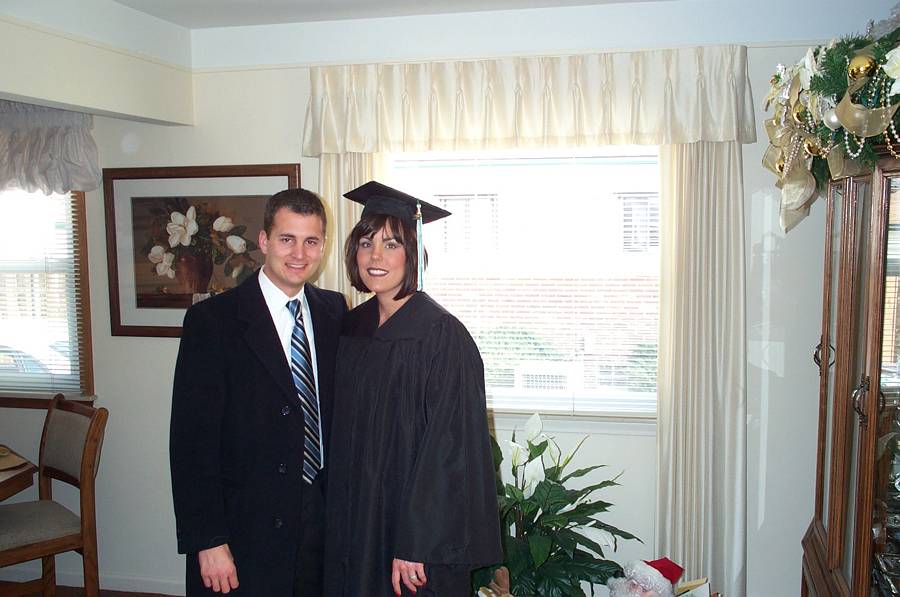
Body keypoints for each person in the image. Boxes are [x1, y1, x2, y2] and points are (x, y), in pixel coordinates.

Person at [324, 181, 502, 597]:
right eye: (366, 243)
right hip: (355, 520)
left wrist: (418, 541)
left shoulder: (442, 335)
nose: (375, 257)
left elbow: (450, 449)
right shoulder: (350, 328)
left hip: (412, 533)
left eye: (391, 244)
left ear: (413, 253)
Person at [170, 188, 347, 596]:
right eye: (287, 239)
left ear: (323, 245)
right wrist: (208, 540)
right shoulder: (212, 322)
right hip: (245, 529)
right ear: (264, 241)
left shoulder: (334, 311)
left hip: (319, 523)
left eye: (311, 241)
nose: (299, 254)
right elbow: (191, 443)